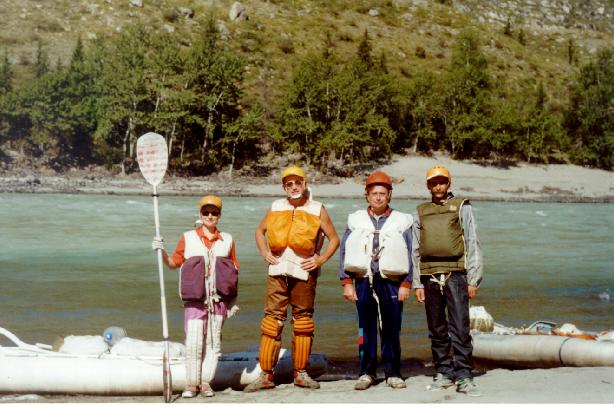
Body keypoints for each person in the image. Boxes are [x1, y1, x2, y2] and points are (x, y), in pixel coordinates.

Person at [244, 165, 340, 392]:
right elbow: (259, 232)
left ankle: (301, 373)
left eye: (298, 182)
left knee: (303, 322)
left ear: (305, 184)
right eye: (289, 184)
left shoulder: (317, 208)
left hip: (304, 271)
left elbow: (334, 239)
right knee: (271, 321)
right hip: (277, 271)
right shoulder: (276, 206)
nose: (294, 187)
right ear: (284, 187)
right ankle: (266, 375)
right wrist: (265, 253)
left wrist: (320, 259)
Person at [152, 195, 240, 398]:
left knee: (213, 343)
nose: (210, 216)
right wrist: (161, 251)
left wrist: (233, 302)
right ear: (200, 214)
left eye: (214, 213)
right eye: (206, 212)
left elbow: (234, 271)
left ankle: (205, 383)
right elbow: (173, 263)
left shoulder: (227, 239)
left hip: (219, 300)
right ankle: (191, 384)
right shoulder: (188, 237)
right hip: (195, 300)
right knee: (193, 341)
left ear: (219, 216)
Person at [412, 165, 483, 397]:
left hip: (457, 275)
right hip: (430, 275)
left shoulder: (463, 207)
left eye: (442, 181)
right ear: (428, 185)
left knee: (460, 327)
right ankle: (443, 371)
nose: (438, 186)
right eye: (433, 182)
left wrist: (473, 279)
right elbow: (415, 248)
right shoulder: (421, 211)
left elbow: (472, 242)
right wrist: (417, 283)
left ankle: (464, 374)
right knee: (436, 328)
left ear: (449, 183)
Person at [339, 170, 413, 391]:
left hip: (391, 282)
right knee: (366, 328)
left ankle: (393, 373)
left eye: (382, 193)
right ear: (367, 195)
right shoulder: (355, 220)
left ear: (389, 195)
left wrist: (407, 283)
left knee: (391, 328)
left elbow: (412, 253)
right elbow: (344, 251)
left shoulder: (402, 221)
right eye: (374, 193)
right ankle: (366, 372)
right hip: (363, 281)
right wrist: (346, 283)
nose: (378, 197)